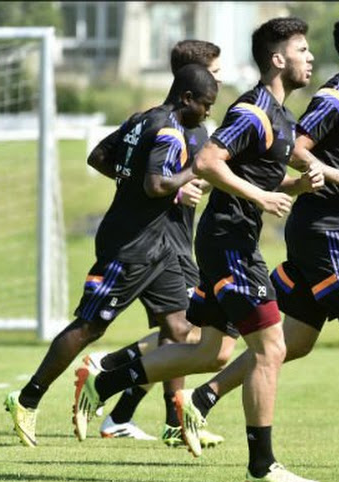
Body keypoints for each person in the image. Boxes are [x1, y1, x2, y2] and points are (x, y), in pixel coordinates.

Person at [172, 13, 339, 470]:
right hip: (325, 232)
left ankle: (203, 396)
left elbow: (323, 163)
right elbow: (298, 148)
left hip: (330, 227)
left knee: (291, 341)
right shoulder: (336, 97)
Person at [72, 17, 323, 482]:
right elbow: (208, 163)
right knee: (272, 348)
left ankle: (104, 380)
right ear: (277, 59)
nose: (310, 59)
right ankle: (261, 466)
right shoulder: (253, 111)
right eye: (302, 50)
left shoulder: (285, 119)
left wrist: (295, 184)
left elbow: (262, 179)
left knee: (211, 351)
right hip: (228, 241)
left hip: (232, 240)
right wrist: (261, 198)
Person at [3, 63, 219, 448]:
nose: (207, 112)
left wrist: (137, 185)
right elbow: (156, 184)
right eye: (205, 104)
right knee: (90, 327)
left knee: (179, 327)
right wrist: (191, 173)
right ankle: (26, 399)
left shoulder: (143, 120)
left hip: (163, 249)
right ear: (187, 98)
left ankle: (171, 419)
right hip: (130, 247)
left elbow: (99, 156)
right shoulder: (169, 131)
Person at [87, 39, 235, 449]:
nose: (220, 80)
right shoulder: (169, 125)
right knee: (191, 334)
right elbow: (148, 176)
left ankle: (122, 408)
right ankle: (121, 380)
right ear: (193, 80)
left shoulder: (195, 124)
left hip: (177, 241)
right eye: (215, 72)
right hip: (160, 243)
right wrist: (174, 190)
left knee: (184, 333)